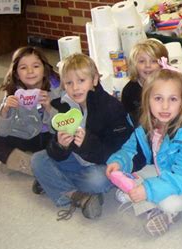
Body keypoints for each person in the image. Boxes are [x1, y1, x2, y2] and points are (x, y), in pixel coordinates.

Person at [106, 69, 182, 236]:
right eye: (158, 98)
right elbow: (131, 149)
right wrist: (118, 162)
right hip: (167, 170)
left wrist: (149, 189)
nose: (165, 106)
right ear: (148, 101)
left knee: (168, 203)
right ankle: (148, 199)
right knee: (134, 172)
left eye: (173, 99)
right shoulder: (148, 124)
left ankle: (163, 211)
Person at [31, 54, 133, 220]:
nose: (75, 88)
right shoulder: (63, 105)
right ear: (64, 85)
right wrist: (60, 146)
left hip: (101, 164)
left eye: (81, 81)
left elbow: (119, 149)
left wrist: (88, 144)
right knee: (38, 160)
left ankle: (55, 183)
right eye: (69, 83)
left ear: (94, 80)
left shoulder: (110, 106)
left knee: (98, 180)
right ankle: (76, 195)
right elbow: (52, 148)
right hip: (76, 160)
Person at [0, 46, 60, 176]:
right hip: (27, 135)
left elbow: (63, 126)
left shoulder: (57, 89)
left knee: (68, 142)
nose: (30, 71)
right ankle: (34, 168)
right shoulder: (14, 92)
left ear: (44, 69)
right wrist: (5, 111)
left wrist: (49, 108)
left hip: (51, 137)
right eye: (23, 68)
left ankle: (20, 161)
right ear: (16, 73)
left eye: (36, 66)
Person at [121, 39, 167, 125]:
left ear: (163, 63)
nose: (148, 66)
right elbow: (127, 120)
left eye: (154, 61)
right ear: (134, 64)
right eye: (142, 61)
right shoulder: (129, 91)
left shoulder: (170, 86)